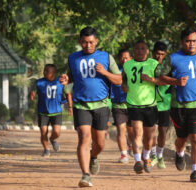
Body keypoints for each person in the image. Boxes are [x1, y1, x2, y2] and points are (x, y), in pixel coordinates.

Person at [60, 26, 122, 187]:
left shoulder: (106, 57)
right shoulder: (73, 58)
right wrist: (65, 82)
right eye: (85, 42)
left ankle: (94, 157)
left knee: (99, 143)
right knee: (84, 138)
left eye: (91, 42)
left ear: (97, 42)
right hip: (81, 104)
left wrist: (105, 73)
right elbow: (69, 81)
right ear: (80, 42)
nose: (88, 45)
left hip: (101, 104)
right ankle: (86, 175)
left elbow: (119, 80)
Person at [160, 27, 196, 182]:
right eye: (188, 41)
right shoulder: (173, 58)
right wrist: (175, 81)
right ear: (182, 42)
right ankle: (179, 152)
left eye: (194, 41)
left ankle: (195, 171)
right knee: (181, 139)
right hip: (179, 106)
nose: (191, 44)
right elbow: (160, 76)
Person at [122, 41, 162, 174]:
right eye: (137, 49)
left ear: (148, 51)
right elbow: (123, 80)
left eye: (143, 49)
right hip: (134, 104)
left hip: (150, 104)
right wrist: (123, 86)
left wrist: (151, 80)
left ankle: (146, 156)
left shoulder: (153, 64)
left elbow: (162, 81)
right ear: (133, 51)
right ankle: (137, 161)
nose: (140, 51)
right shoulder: (127, 64)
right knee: (137, 132)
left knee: (149, 137)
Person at [140, 41, 171, 169]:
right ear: (153, 53)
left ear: (166, 54)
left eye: (162, 54)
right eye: (157, 54)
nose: (159, 57)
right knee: (151, 131)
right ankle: (152, 155)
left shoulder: (169, 67)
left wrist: (153, 80)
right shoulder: (147, 65)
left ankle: (160, 155)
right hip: (149, 102)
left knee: (162, 131)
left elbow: (168, 81)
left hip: (165, 103)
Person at [29, 64, 65, 157]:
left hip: (56, 111)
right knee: (43, 132)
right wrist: (31, 95)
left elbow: (66, 94)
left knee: (57, 132)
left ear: (53, 73)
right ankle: (46, 149)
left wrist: (69, 105)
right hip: (43, 112)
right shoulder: (39, 82)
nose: (44, 72)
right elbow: (32, 93)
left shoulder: (60, 82)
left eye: (47, 71)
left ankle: (53, 139)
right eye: (44, 70)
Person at [110, 48, 133, 163]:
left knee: (132, 130)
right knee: (121, 129)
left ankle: (132, 145)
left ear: (131, 59)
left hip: (132, 105)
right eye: (122, 58)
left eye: (126, 58)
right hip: (118, 105)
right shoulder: (115, 71)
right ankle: (124, 154)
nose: (124, 60)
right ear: (118, 59)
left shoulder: (134, 70)